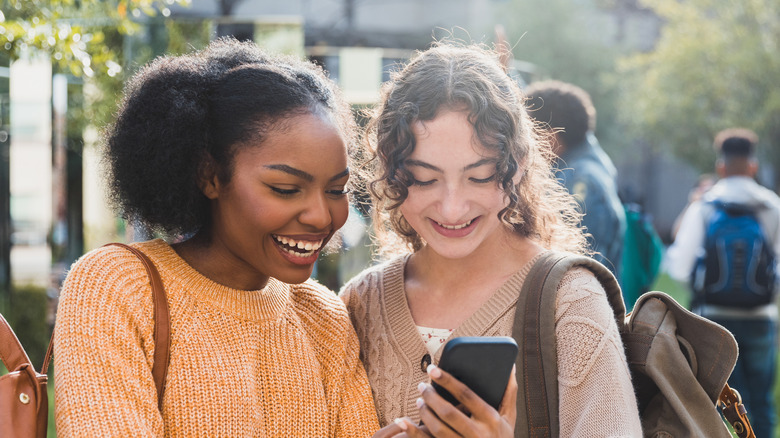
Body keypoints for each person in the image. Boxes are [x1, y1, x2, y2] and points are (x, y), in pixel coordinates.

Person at [54, 38, 396, 437]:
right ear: (209, 175)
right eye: (286, 189)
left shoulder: (322, 319)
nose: (322, 216)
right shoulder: (118, 288)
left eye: (336, 190)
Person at [340, 43, 641, 436]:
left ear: (517, 166)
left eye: (480, 175)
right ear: (389, 171)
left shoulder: (570, 304)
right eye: (424, 178)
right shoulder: (359, 302)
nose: (451, 209)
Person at [665, 128, 779, 438]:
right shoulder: (771, 207)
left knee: (717, 404)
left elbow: (679, 267)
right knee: (760, 403)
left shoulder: (705, 206)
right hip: (760, 318)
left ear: (721, 167)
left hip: (712, 319)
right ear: (752, 166)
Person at [523, 80, 626, 278]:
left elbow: (577, 273)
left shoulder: (582, 184)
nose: (521, 142)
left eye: (527, 132)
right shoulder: (586, 164)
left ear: (550, 137)